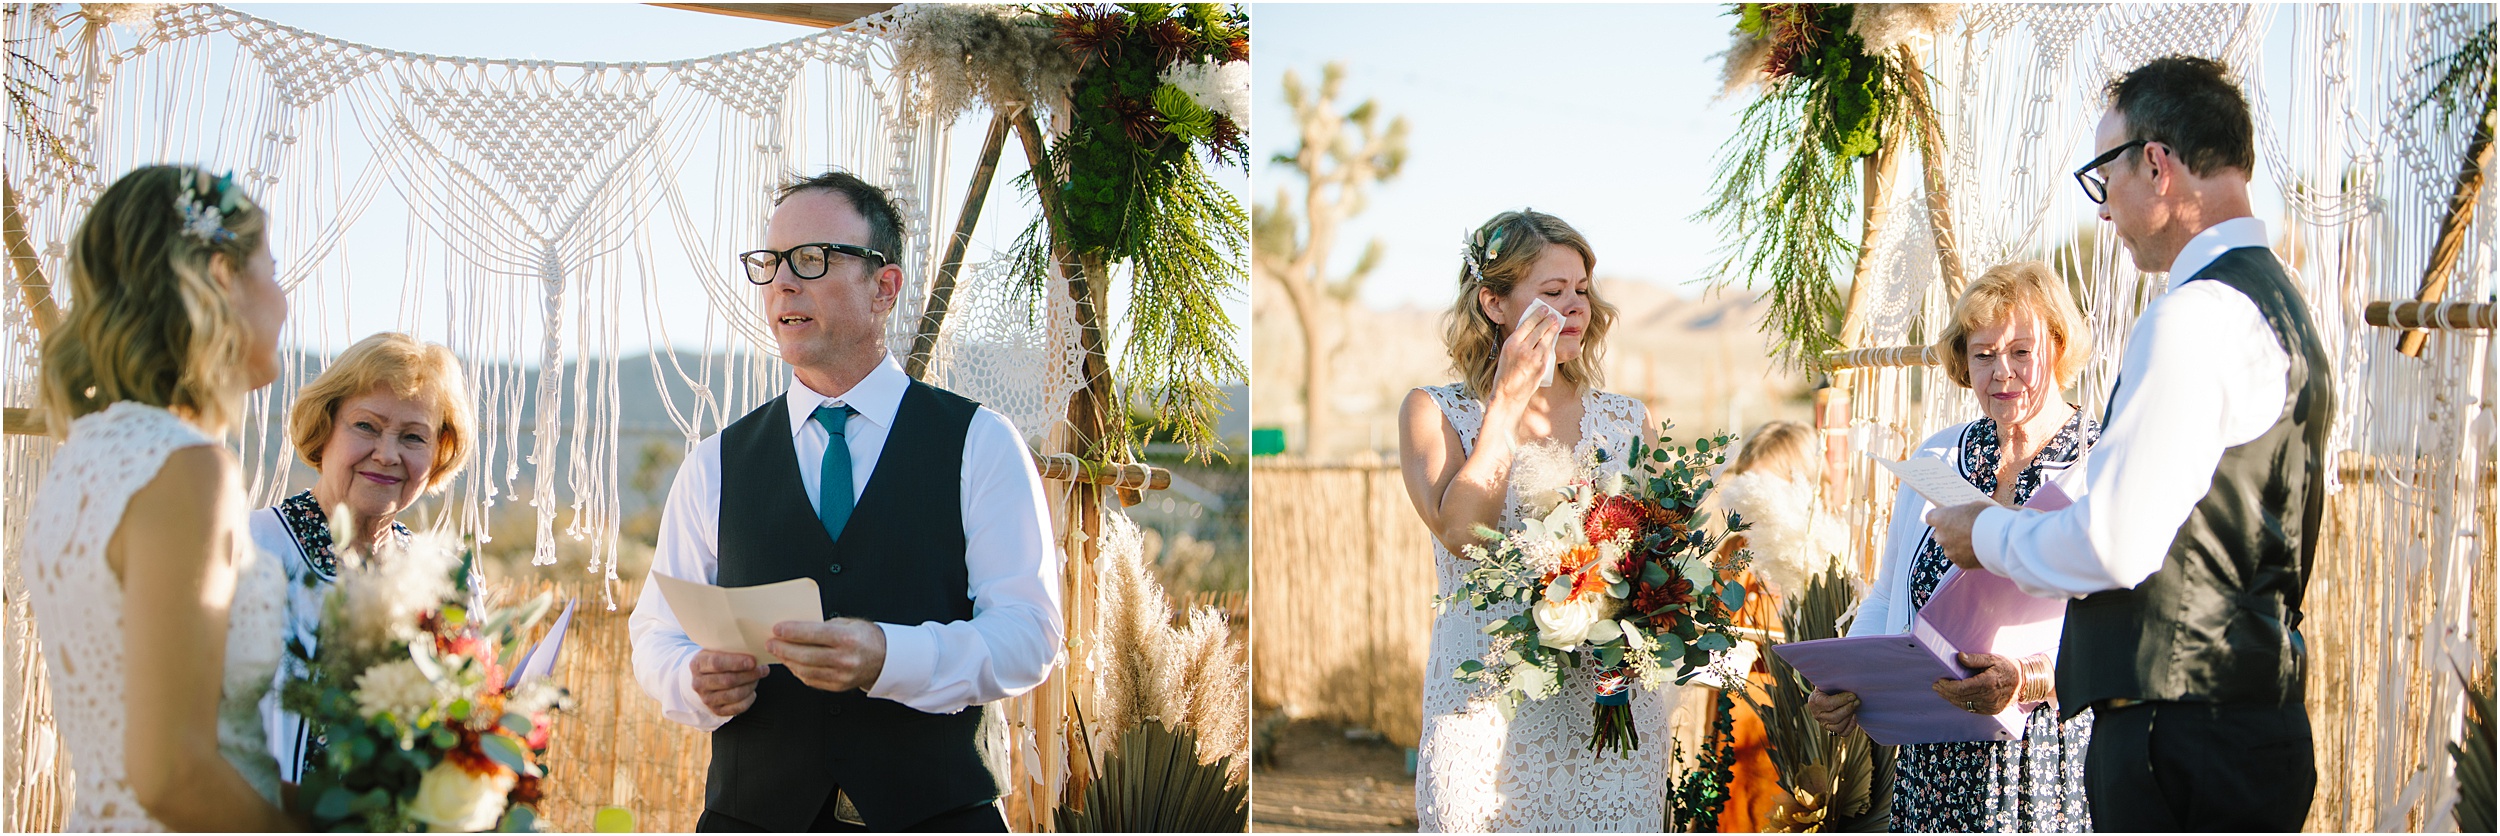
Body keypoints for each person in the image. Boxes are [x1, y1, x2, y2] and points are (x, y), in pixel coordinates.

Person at [1924, 56, 2330, 831]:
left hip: (2178, 739)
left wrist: (1987, 534)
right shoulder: (2280, 308)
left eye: (2103, 172)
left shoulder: (2196, 316)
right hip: (2241, 721)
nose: (2103, 208)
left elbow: (2114, 544)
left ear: (2156, 165)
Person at [627, 170, 1062, 832]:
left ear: (884, 286)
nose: (782, 283)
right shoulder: (714, 464)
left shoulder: (980, 443)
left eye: (811, 259)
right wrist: (691, 679)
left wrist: (890, 657)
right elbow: (656, 634)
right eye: (770, 263)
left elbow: (1029, 635)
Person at [21, 165, 298, 830]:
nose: (285, 300)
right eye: (273, 269)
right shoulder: (185, 471)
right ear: (224, 278)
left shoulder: (88, 455)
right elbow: (172, 774)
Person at [1398, 209, 1669, 831]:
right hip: (1483, 705)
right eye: (1551, 293)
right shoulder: (1434, 413)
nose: (1575, 307)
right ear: (1493, 303)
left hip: (1610, 715)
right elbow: (1464, 538)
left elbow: (1655, 564)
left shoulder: (1630, 420)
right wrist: (1508, 403)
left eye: (1581, 290)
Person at [1808, 261, 2103, 831]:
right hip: (1933, 758)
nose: (2002, 372)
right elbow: (1888, 594)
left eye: (2022, 351)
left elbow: (2130, 621)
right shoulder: (1938, 457)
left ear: (2059, 348)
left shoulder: (2102, 458)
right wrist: (1847, 681)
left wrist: (2028, 678)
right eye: (1983, 354)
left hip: (2050, 759)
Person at [257, 331, 478, 784]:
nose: (387, 453)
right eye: (366, 426)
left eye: (413, 437)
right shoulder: (250, 548)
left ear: (438, 453)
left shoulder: (451, 580)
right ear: (326, 427)